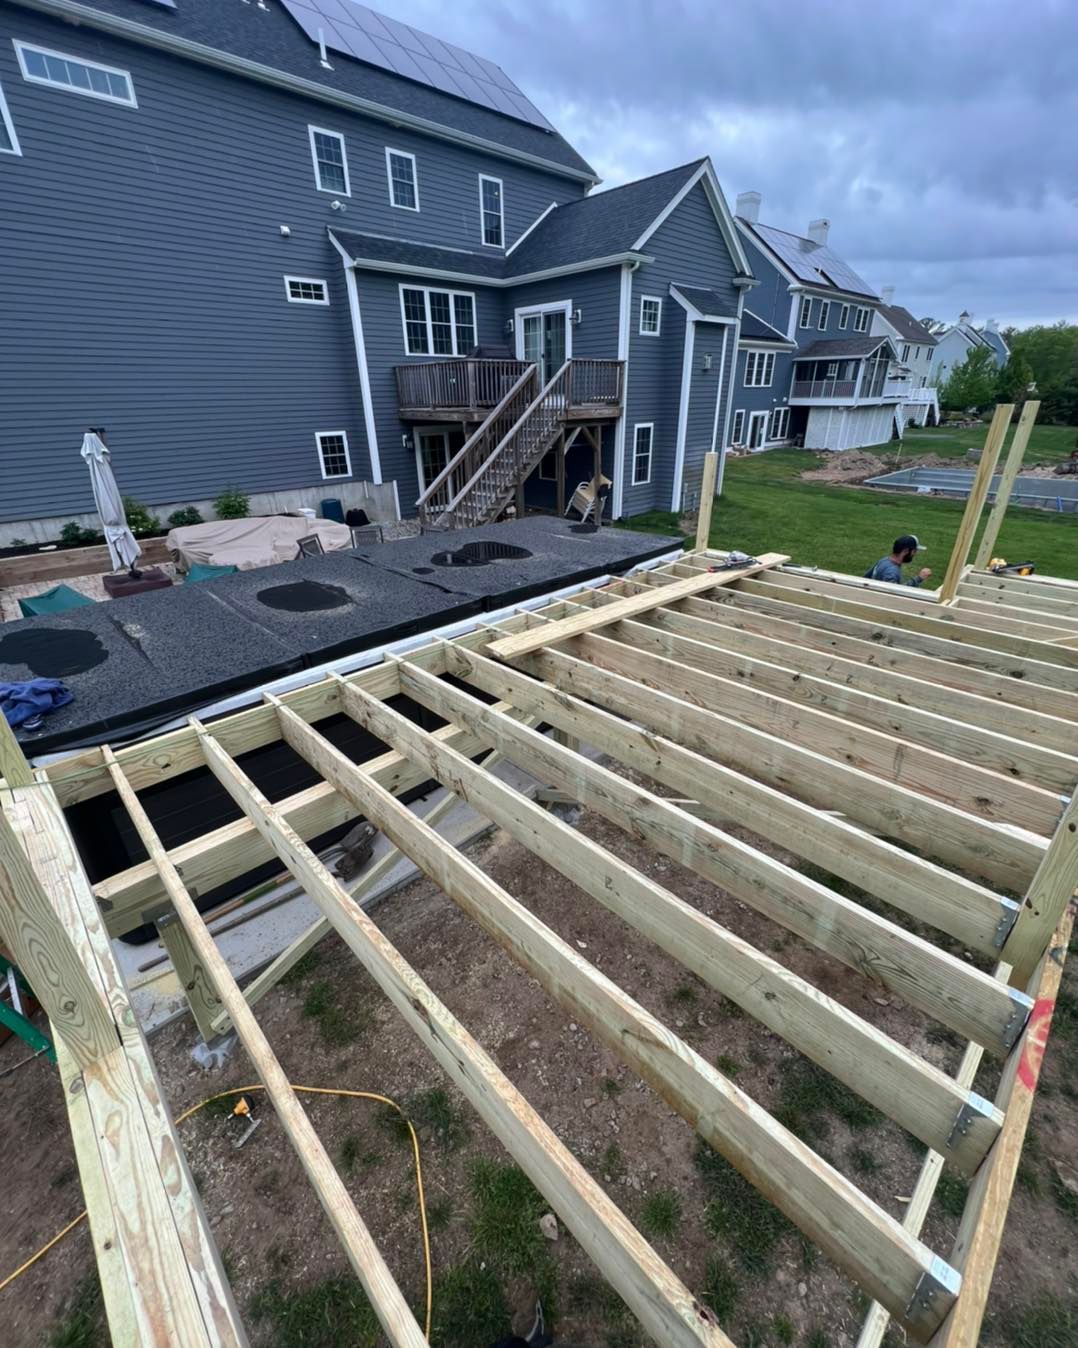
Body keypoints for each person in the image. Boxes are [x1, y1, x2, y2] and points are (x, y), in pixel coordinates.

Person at [864, 535, 932, 587]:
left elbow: (865, 579)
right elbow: (896, 595)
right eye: (914, 551)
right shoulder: (892, 572)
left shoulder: (884, 560)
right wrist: (919, 578)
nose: (915, 554)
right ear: (906, 551)